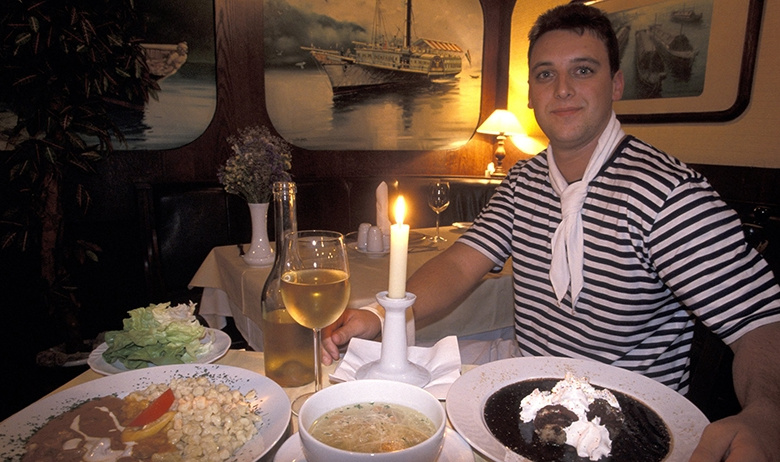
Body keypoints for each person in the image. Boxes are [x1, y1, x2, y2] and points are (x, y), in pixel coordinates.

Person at [322, 3, 780, 460]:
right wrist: (382, 315)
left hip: (627, 432)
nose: (562, 89)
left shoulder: (668, 194)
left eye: (583, 70)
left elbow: (761, 323)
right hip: (525, 410)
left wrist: (767, 413)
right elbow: (461, 263)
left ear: (616, 84)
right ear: (530, 94)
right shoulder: (523, 181)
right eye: (545, 74)